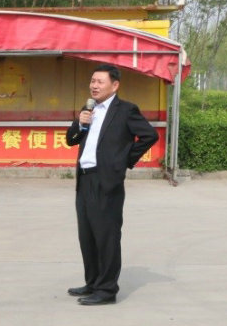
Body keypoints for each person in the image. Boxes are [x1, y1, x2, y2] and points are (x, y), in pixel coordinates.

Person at [64, 64, 158, 306]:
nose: (94, 86)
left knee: (106, 236)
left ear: (114, 85)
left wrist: (123, 160)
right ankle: (93, 282)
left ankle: (106, 290)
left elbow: (150, 135)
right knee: (87, 236)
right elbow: (70, 140)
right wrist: (80, 123)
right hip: (85, 180)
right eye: (92, 81)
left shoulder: (125, 110)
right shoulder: (88, 109)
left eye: (100, 82)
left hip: (107, 181)